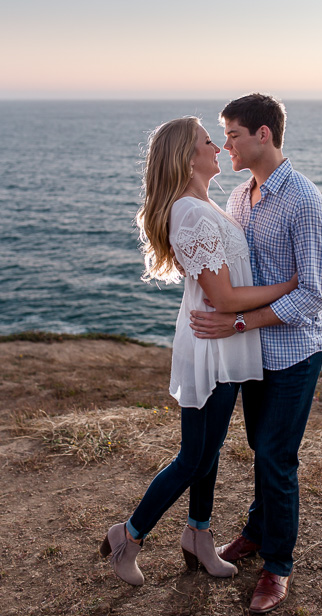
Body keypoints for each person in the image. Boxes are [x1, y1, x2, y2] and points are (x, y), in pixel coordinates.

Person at [99, 116, 298, 586]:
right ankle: (129, 536)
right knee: (194, 455)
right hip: (212, 345)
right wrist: (287, 286)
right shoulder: (190, 213)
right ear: (189, 158)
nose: (219, 145)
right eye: (209, 140)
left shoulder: (205, 205)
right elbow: (226, 298)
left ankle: (198, 535)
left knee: (208, 452)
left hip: (225, 344)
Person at [189, 94, 322, 614]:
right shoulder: (237, 199)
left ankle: (277, 566)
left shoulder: (305, 202)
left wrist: (240, 321)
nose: (224, 143)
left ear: (263, 135)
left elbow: (313, 293)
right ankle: (256, 529)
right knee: (260, 448)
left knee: (277, 456)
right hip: (253, 351)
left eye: (231, 134)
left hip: (295, 351)